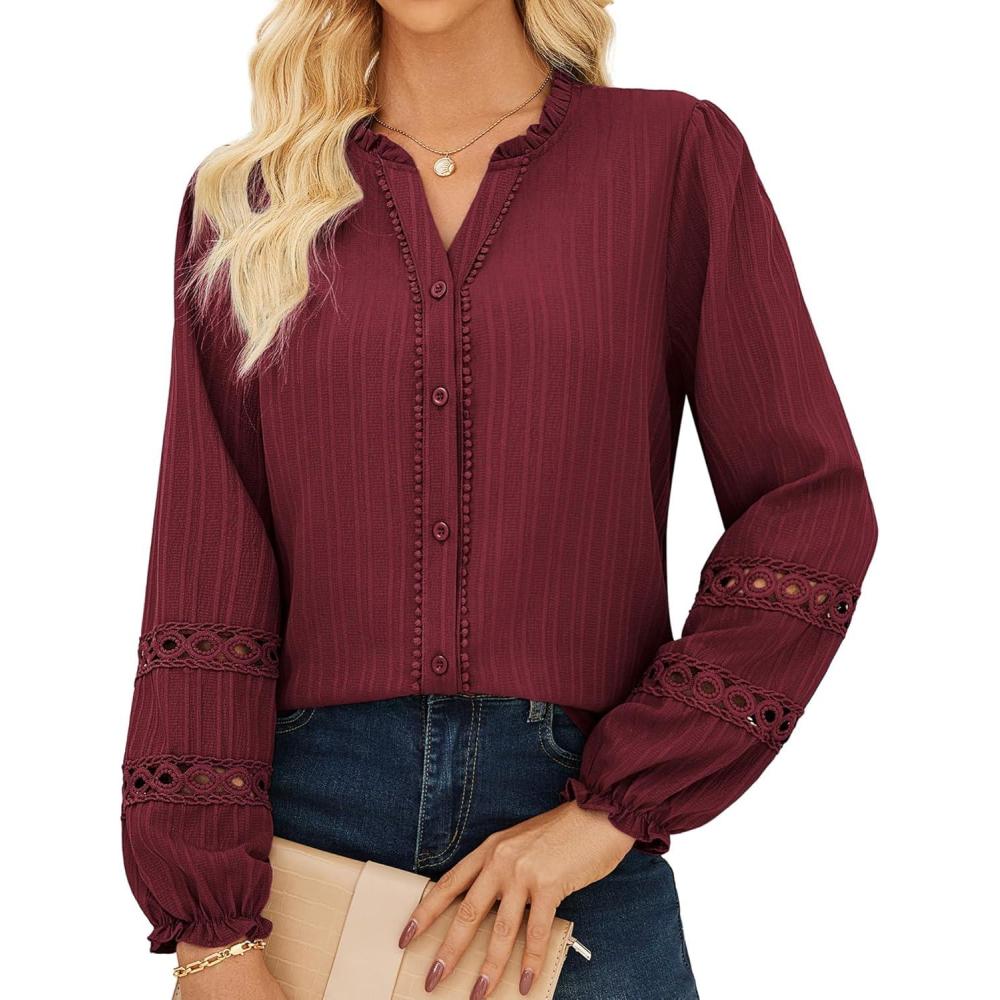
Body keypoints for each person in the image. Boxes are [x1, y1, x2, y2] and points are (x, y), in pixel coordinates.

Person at [119, 1, 878, 998]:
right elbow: (208, 551)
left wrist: (609, 813)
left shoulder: (669, 156)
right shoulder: (249, 201)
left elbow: (810, 504)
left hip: (576, 837)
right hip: (304, 851)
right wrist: (209, 928)